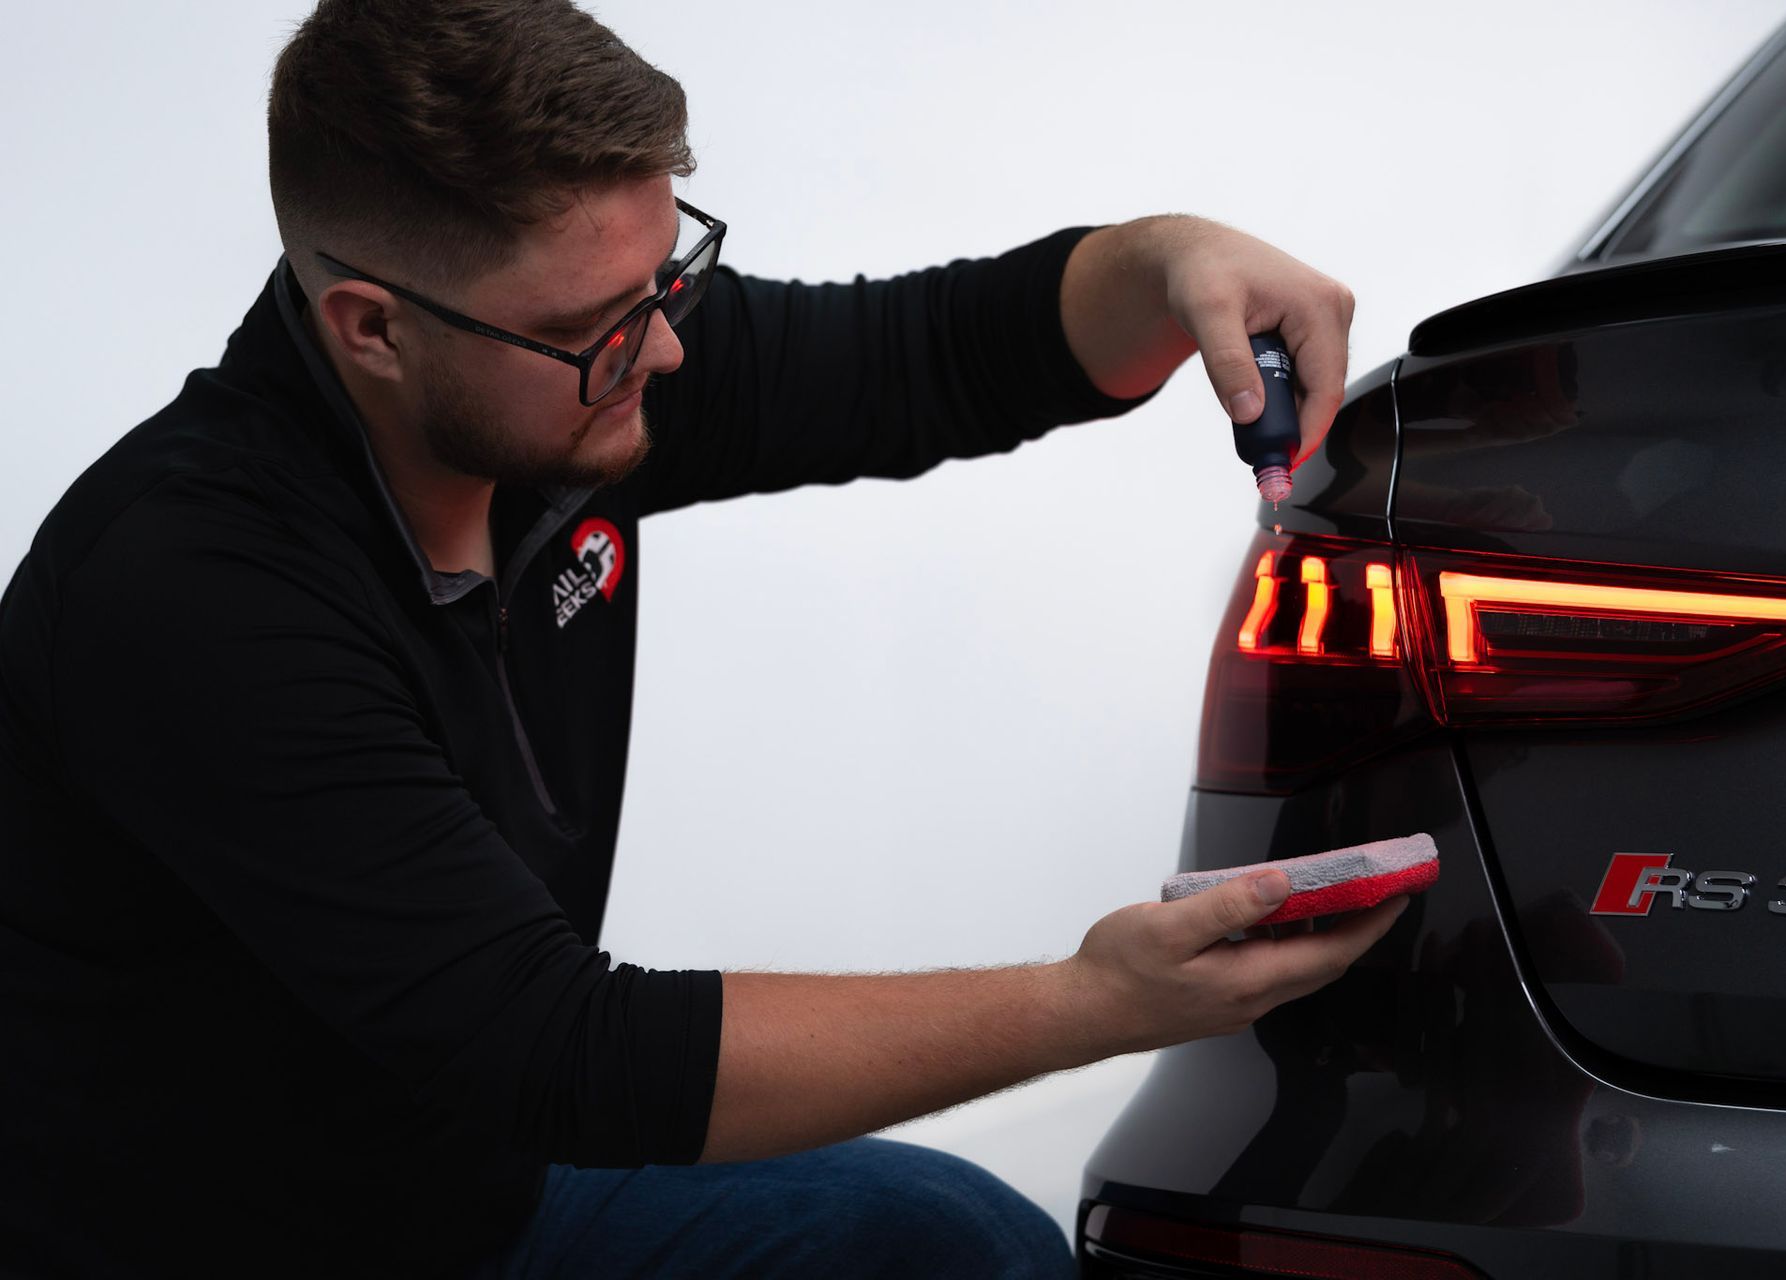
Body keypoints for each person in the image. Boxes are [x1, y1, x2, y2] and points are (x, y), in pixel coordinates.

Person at [0, 1, 1398, 1277]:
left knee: (960, 1248)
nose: (667, 352)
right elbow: (563, 1051)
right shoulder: (192, 592)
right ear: (371, 328)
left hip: (477, 1201)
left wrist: (1166, 262)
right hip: (215, 1247)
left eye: (669, 279)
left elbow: (937, 357)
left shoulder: (564, 379)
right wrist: (1098, 1001)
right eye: (606, 326)